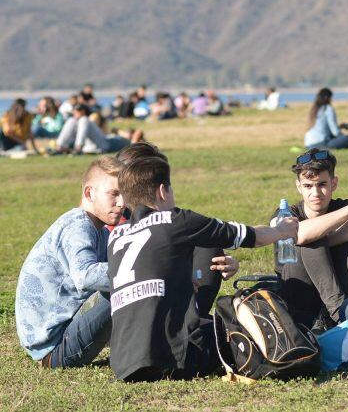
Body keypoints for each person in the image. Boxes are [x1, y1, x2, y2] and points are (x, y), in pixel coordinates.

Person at [108, 155, 298, 381]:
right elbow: (252, 237)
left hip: (123, 363)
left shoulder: (116, 238)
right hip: (172, 361)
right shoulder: (176, 220)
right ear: (162, 191)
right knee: (244, 328)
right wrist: (281, 230)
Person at [15, 156, 124, 368]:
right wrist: (144, 270)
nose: (122, 203)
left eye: (124, 195)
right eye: (114, 194)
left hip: (60, 338)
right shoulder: (78, 226)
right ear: (89, 193)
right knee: (125, 286)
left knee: (128, 282)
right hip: (55, 349)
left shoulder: (99, 230)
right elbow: (86, 275)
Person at [113, 141, 238, 316]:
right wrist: (177, 279)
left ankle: (191, 321)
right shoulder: (109, 221)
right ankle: (188, 325)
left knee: (207, 246)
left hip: (158, 299)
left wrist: (223, 263)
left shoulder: (163, 219)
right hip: (122, 305)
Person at [275, 148, 348, 330]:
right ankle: (338, 310)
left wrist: (324, 238)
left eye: (322, 184)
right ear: (298, 186)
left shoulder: (339, 206)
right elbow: (300, 234)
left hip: (340, 283)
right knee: (310, 239)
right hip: (298, 293)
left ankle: (329, 315)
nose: (315, 193)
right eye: (308, 186)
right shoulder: (287, 213)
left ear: (334, 183)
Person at [56, 104, 137, 154]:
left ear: (83, 112)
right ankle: (60, 146)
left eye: (76, 112)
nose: (74, 114)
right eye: (74, 112)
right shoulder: (77, 120)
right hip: (98, 143)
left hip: (103, 144)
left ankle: (78, 147)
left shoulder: (86, 119)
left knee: (83, 120)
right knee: (71, 120)